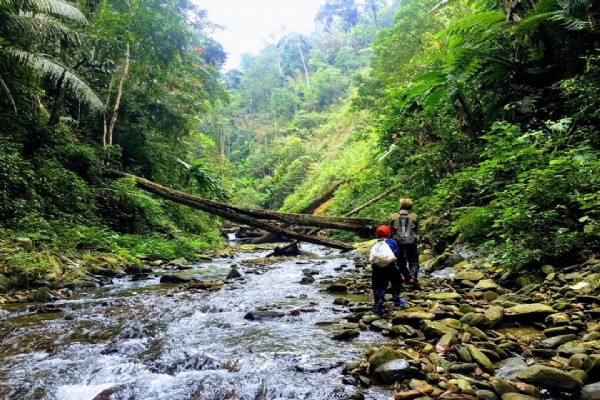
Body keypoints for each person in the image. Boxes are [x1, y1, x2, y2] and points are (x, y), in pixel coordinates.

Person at [370, 225, 406, 314]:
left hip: (377, 269)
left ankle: (377, 307)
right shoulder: (392, 242)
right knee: (397, 282)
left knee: (378, 287)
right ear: (390, 234)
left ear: (376, 235)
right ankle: (396, 299)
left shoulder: (375, 244)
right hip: (390, 268)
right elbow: (397, 255)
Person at [389, 198, 421, 290]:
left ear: (401, 206)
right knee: (413, 261)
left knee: (400, 261)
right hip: (411, 240)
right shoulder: (414, 216)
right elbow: (416, 230)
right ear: (410, 207)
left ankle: (407, 278)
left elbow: (391, 231)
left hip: (398, 241)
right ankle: (413, 277)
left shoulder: (393, 216)